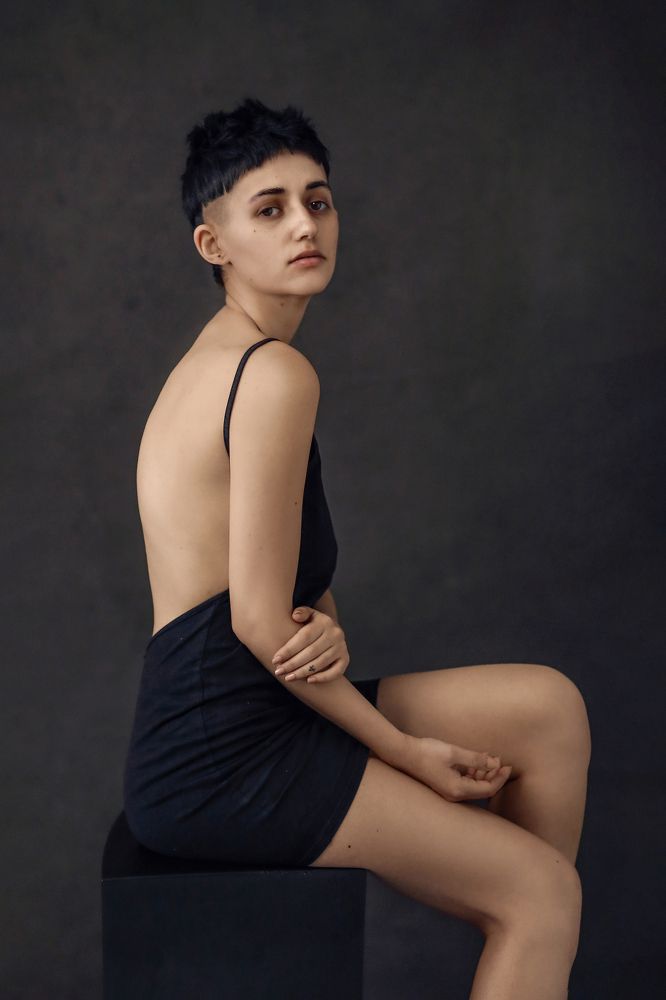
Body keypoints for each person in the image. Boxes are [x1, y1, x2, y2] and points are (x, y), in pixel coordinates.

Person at [122, 97, 591, 999]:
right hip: (222, 756)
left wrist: (324, 628)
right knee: (542, 894)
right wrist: (406, 752)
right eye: (270, 209)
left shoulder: (229, 360)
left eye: (319, 200)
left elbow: (282, 594)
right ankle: (525, 914)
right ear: (213, 244)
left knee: (546, 709)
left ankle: (518, 940)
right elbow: (259, 623)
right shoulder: (270, 375)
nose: (305, 225)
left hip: (253, 711)